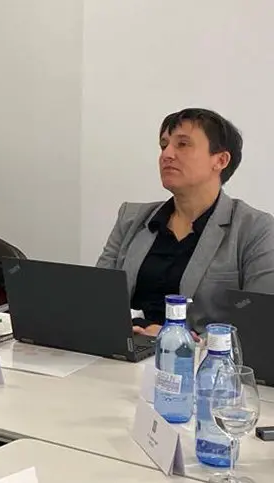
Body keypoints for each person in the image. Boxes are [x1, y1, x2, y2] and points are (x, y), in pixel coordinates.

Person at [97, 107, 274, 334]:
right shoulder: (131, 218)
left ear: (220, 160)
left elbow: (260, 325)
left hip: (202, 362)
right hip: (125, 350)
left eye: (182, 144)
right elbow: (99, 300)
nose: (166, 154)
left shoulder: (255, 229)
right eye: (163, 145)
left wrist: (174, 339)